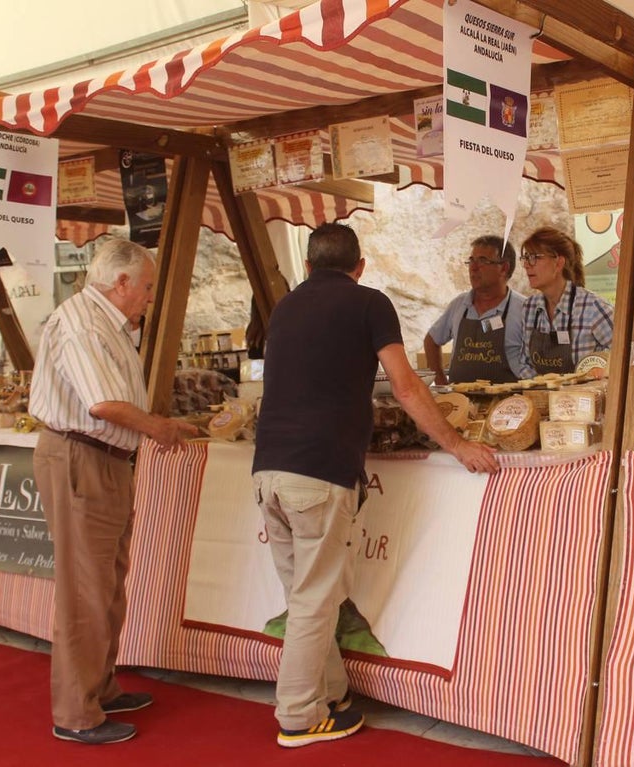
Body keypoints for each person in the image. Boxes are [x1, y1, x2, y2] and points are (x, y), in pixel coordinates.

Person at [252, 223, 498, 748]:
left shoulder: (285, 307)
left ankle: (332, 692)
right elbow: (405, 386)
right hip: (318, 471)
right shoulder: (370, 303)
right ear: (359, 267)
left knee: (305, 595)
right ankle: (297, 715)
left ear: (308, 266)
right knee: (314, 599)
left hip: (267, 469)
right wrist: (456, 443)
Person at [29, 238, 199, 746]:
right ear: (121, 282)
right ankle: (76, 714)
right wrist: (158, 427)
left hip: (104, 459)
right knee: (85, 590)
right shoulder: (83, 323)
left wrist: (151, 426)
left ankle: (100, 687)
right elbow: (102, 404)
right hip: (80, 458)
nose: (150, 296)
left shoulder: (107, 323)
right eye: (146, 286)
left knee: (106, 582)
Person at [423, 235, 525, 385]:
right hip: (460, 398)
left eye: (482, 261)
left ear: (504, 268)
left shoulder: (524, 309)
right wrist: (440, 381)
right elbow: (431, 340)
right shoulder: (459, 305)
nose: (473, 267)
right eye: (471, 260)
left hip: (508, 399)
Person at [517, 227, 615, 377]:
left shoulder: (592, 308)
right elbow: (525, 364)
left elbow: (626, 356)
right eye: (526, 257)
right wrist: (540, 387)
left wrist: (602, 370)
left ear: (558, 263)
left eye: (534, 257)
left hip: (586, 392)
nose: (526, 264)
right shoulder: (530, 308)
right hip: (542, 392)